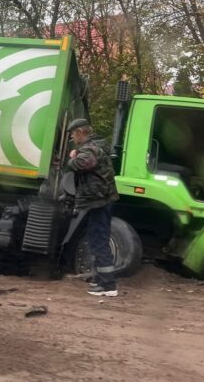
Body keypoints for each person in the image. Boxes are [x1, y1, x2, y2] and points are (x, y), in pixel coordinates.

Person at [67, 118, 119, 297]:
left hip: (98, 201)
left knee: (99, 242)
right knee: (98, 240)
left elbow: (82, 164)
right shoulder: (98, 145)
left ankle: (108, 285)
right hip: (100, 200)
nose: (73, 138)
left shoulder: (90, 149)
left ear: (81, 132)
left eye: (73, 134)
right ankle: (101, 281)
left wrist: (72, 158)